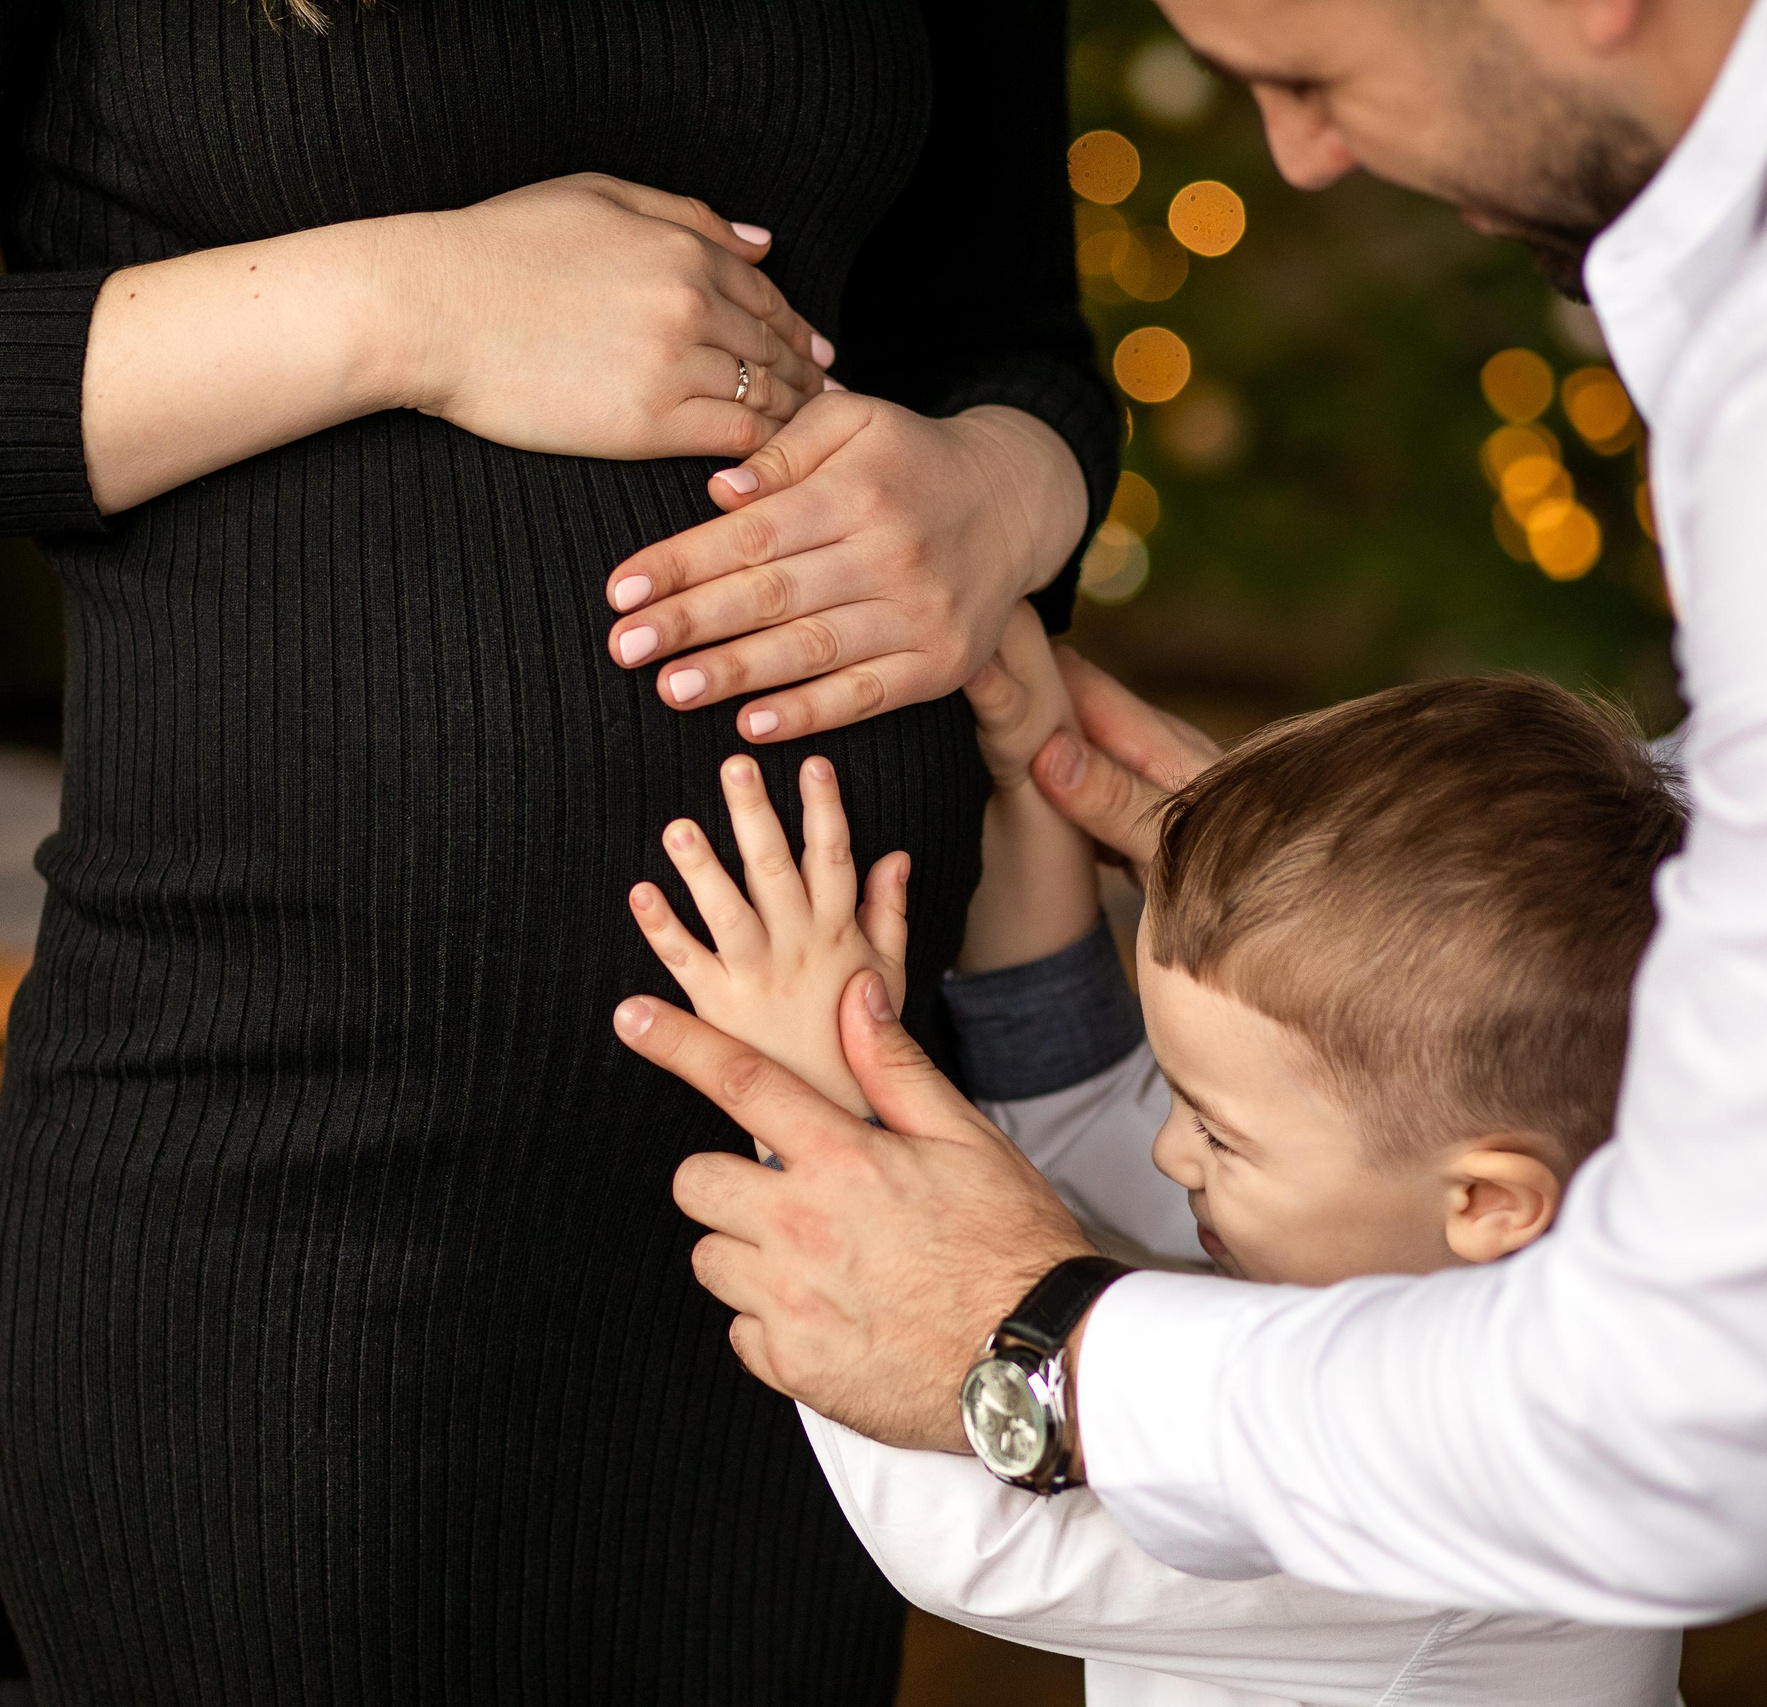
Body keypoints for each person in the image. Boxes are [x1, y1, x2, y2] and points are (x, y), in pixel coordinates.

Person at [0, 0, 1117, 1698]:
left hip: (815, 1200)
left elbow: (1013, 339)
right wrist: (410, 307)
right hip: (295, 1195)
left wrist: (998, 493)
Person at [624, 0, 1767, 1630]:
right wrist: (1378, 908)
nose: (1303, 152)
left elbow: (1682, 1426)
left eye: (1308, 76)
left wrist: (1027, 1338)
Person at [624, 615, 1687, 1705]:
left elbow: (991, 1540)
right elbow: (1095, 1146)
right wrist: (1032, 799)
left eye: (1218, 1130)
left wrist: (809, 1095)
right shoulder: (1394, 1235)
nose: (1171, 1145)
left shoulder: (1480, 1479)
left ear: (1487, 1201)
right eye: (1178, 1090)